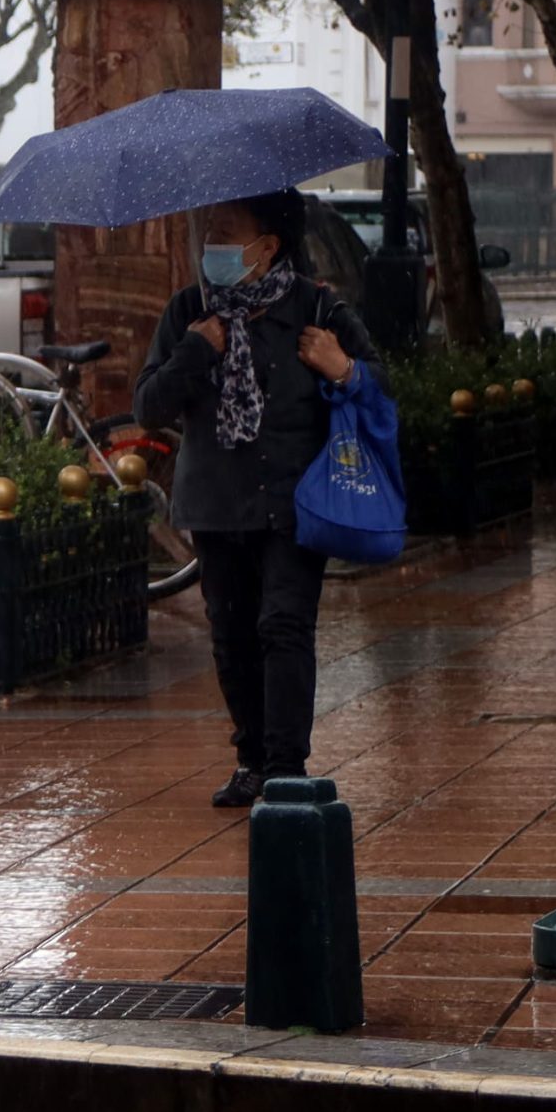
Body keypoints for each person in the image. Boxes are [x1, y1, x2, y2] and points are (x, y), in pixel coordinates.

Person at [133, 188, 379, 810]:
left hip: (299, 500)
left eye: (227, 232)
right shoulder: (188, 311)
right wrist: (196, 350)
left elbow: (382, 388)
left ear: (267, 247)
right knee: (232, 634)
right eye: (208, 232)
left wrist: (342, 366)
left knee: (284, 625)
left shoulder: (318, 308)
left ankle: (285, 765)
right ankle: (250, 760)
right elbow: (148, 406)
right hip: (216, 502)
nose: (212, 245)